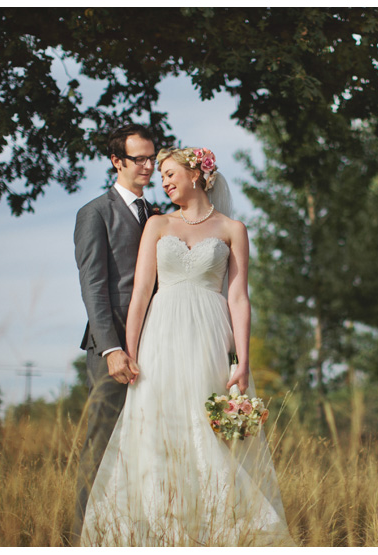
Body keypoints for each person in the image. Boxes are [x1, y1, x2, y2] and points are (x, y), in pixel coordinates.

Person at [80, 146, 294, 546]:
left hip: (210, 334)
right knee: (155, 425)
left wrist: (242, 363)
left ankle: (216, 529)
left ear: (196, 174)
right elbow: (141, 292)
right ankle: (158, 528)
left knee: (205, 425)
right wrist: (131, 351)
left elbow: (239, 298)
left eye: (170, 173)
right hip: (161, 332)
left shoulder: (233, 229)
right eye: (161, 175)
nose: (163, 181)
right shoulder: (158, 225)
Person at [71, 124, 160, 545]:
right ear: (117, 162)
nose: (148, 166)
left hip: (158, 341)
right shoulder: (95, 213)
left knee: (150, 443)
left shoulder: (157, 214)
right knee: (103, 443)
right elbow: (94, 285)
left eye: (151, 158)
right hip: (113, 348)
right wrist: (111, 348)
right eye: (138, 158)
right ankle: (80, 537)